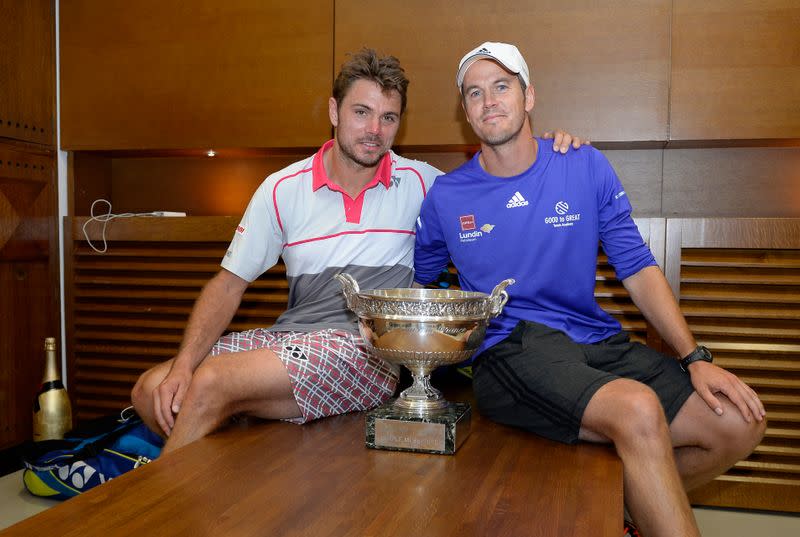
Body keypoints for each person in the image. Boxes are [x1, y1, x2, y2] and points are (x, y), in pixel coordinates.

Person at [131, 48, 583, 455]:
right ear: (333, 110)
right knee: (151, 389)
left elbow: (496, 181)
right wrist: (182, 366)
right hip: (290, 340)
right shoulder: (282, 189)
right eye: (362, 112)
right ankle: (219, 483)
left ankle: (159, 510)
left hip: (367, 352)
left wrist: (549, 149)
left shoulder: (425, 184)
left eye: (389, 117)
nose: (374, 130)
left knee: (210, 384)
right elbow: (228, 286)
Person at [413, 42, 766, 537]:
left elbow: (638, 266)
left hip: (595, 341)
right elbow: (423, 287)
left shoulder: (582, 164)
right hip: (512, 350)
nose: (489, 100)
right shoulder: (446, 197)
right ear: (466, 111)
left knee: (738, 422)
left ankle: (620, 513)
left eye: (501, 86)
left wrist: (695, 356)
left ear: (528, 96)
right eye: (475, 92)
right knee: (638, 409)